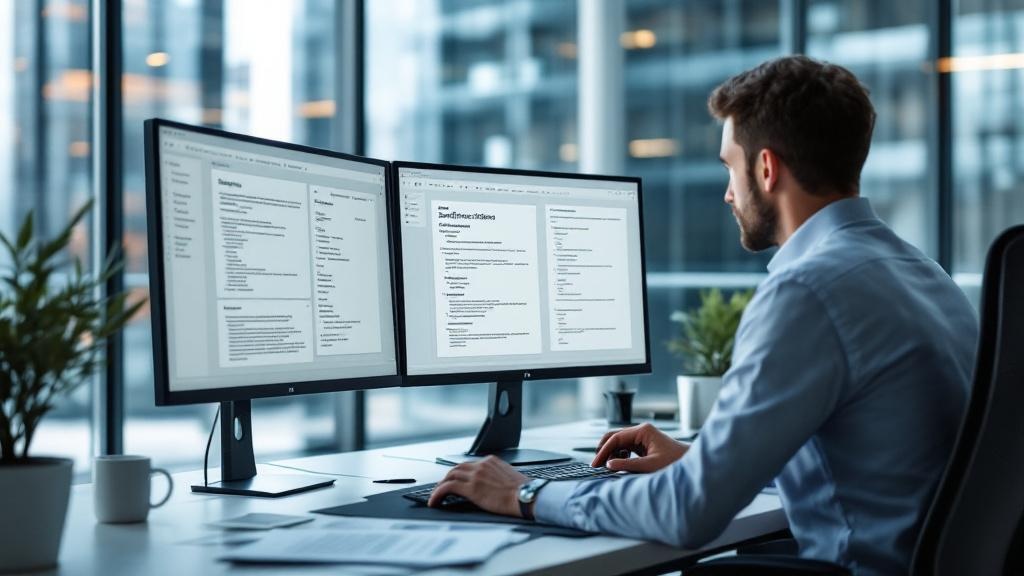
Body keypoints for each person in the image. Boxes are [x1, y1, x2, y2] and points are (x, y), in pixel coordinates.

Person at [427, 55, 978, 575]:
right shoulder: (922, 273)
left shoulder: (807, 290)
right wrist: (700, 460)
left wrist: (523, 493)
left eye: (728, 167)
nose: (726, 194)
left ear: (766, 169)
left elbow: (687, 514)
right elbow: (875, 457)